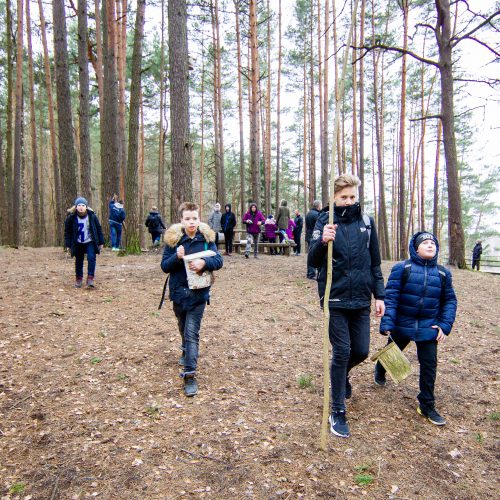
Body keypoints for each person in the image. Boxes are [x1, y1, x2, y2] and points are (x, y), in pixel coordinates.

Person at [308, 174, 385, 438]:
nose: (348, 201)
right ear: (333, 198)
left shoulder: (367, 222)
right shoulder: (324, 221)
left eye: (352, 197)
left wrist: (380, 295)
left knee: (361, 350)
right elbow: (313, 261)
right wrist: (323, 241)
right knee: (341, 350)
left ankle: (340, 378)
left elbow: (375, 262)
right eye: (343, 197)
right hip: (334, 297)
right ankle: (337, 410)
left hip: (361, 298)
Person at [375, 231, 457, 426]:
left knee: (429, 365)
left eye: (433, 243)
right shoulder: (403, 268)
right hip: (402, 324)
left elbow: (450, 301)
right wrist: (387, 322)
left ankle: (427, 404)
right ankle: (380, 369)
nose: (430, 245)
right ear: (415, 247)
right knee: (392, 353)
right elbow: (392, 297)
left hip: (429, 327)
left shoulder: (444, 273)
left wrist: (444, 325)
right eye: (425, 242)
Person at [161, 202, 223, 397]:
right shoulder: (173, 241)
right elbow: (164, 266)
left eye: (194, 218)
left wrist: (204, 262)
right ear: (181, 220)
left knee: (191, 333)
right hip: (179, 294)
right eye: (187, 218)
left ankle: (189, 375)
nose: (191, 222)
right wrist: (176, 257)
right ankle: (185, 349)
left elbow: (219, 260)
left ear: (199, 219)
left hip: (199, 295)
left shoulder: (206, 238)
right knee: (182, 326)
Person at [64, 197, 104, 288]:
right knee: (79, 261)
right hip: (78, 242)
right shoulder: (71, 218)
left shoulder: (92, 216)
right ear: (76, 207)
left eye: (83, 205)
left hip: (90, 241)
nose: (81, 207)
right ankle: (79, 279)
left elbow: (98, 229)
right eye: (79, 205)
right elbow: (67, 232)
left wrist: (101, 242)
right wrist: (68, 245)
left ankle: (90, 278)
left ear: (86, 207)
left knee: (91, 258)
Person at [305, 200, 322, 278]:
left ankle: (310, 273)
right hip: (315, 237)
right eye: (320, 205)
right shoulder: (317, 214)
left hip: (309, 235)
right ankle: (312, 274)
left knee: (310, 254)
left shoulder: (308, 213)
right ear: (318, 206)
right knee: (315, 255)